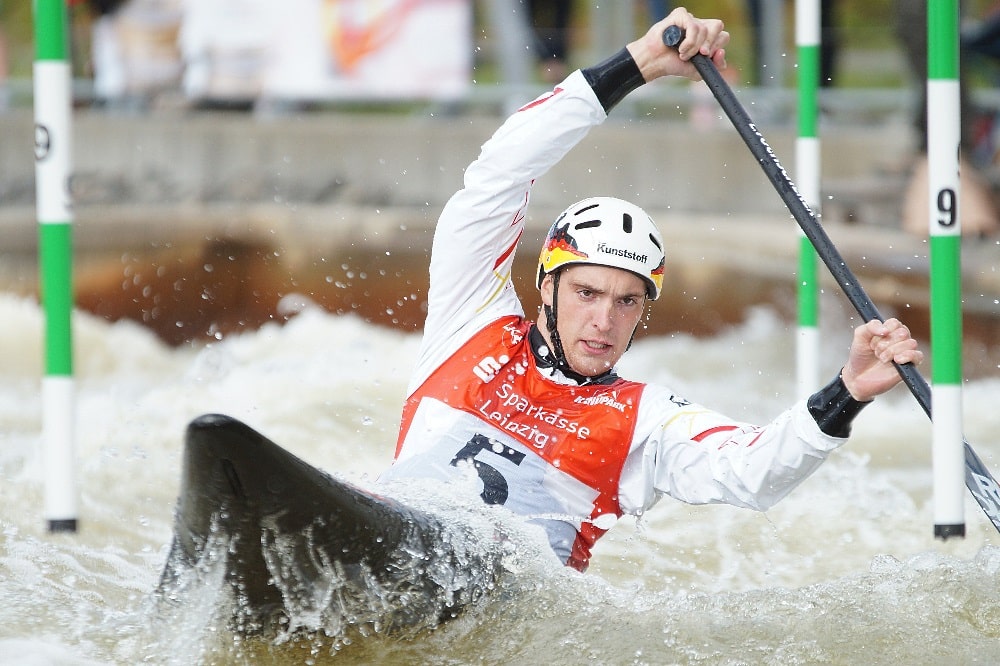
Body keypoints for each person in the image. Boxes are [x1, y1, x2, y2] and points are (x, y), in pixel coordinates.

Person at [378, 8, 923, 573]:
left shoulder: (643, 420)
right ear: (547, 285)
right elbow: (501, 172)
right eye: (587, 293)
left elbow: (751, 471)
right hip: (392, 533)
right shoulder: (470, 318)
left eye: (627, 301)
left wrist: (849, 389)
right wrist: (639, 63)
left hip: (508, 594)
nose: (604, 320)